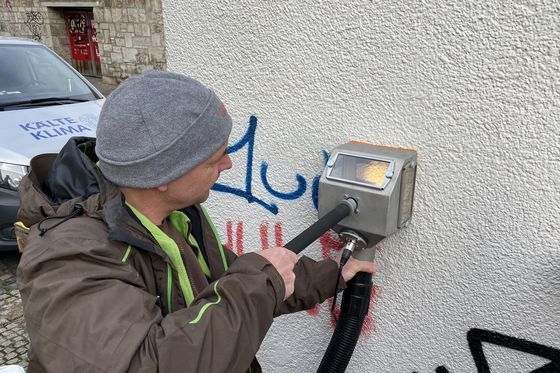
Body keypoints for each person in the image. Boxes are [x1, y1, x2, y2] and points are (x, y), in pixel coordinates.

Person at [17, 70, 378, 373]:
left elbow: (229, 281)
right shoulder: (69, 259)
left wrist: (332, 275)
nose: (229, 166)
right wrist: (263, 280)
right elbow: (149, 364)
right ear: (162, 174)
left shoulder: (176, 217)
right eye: (214, 159)